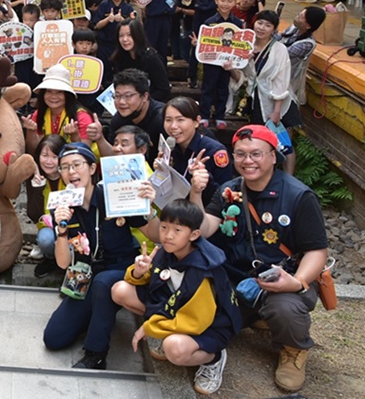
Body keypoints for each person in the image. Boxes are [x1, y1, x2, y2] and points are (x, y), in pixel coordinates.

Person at [189, 125, 328, 393]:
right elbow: (204, 230)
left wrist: (297, 282)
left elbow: (317, 251)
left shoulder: (299, 196)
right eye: (240, 154)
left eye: (256, 154)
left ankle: (293, 348)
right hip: (236, 276)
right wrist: (196, 192)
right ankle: (251, 316)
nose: (247, 161)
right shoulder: (229, 189)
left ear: (273, 156)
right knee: (199, 295)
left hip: (282, 277)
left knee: (285, 308)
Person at [42, 143, 160, 369]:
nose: (71, 172)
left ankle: (96, 354)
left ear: (93, 168)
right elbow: (63, 262)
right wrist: (62, 230)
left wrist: (149, 207)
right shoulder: (61, 205)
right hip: (85, 275)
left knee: (103, 283)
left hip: (121, 270)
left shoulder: (115, 194)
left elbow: (156, 235)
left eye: (77, 165)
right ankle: (96, 314)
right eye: (65, 167)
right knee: (54, 339)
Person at [111, 199, 241, 395]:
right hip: (175, 306)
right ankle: (169, 332)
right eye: (164, 227)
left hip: (210, 326)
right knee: (119, 290)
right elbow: (157, 280)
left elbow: (196, 322)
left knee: (175, 349)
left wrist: (149, 327)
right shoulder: (168, 251)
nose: (168, 235)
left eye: (177, 230)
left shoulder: (203, 270)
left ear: (194, 234)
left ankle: (213, 357)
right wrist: (139, 272)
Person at [228, 10, 299, 173]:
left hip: (278, 102)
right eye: (260, 23)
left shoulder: (279, 49)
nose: (262, 28)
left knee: (284, 141)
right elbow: (243, 76)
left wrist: (277, 111)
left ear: (274, 29)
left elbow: (282, 80)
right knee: (262, 140)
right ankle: (264, 173)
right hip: (257, 99)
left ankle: (289, 178)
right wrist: (233, 66)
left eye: (268, 25)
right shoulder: (246, 45)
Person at [86, 68, 166, 165]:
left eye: (128, 96)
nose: (121, 102)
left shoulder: (162, 118)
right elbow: (113, 158)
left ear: (145, 96)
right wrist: (100, 138)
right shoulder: (118, 119)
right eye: (117, 96)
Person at [163, 96, 233, 202]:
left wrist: (205, 180)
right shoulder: (170, 147)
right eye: (168, 120)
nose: (173, 126)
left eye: (180, 120)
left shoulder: (214, 151)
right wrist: (161, 171)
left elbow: (226, 194)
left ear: (197, 121)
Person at [26, 133, 66, 277]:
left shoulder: (72, 175)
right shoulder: (35, 177)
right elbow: (34, 215)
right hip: (48, 227)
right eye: (44, 156)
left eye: (54, 157)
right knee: (45, 239)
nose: (49, 161)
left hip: (73, 225)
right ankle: (51, 259)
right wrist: (37, 189)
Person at [108, 19, 171, 102]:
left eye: (129, 35)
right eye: (121, 36)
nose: (125, 39)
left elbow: (164, 90)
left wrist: (141, 102)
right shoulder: (120, 58)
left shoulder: (152, 59)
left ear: (138, 35)